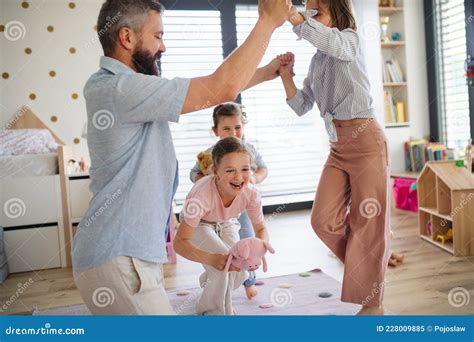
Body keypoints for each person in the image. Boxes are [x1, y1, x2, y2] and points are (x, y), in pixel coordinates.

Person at [72, 0, 292, 315]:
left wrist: (265, 73)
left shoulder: (124, 87)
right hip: (118, 256)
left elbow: (212, 88)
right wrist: (268, 21)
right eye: (158, 36)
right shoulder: (121, 87)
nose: (164, 46)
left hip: (125, 257)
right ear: (127, 38)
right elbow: (221, 87)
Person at [277, 0, 390, 315]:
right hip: (338, 146)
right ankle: (372, 257)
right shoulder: (316, 63)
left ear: (337, 14)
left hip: (366, 141)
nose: (311, 21)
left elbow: (328, 39)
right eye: (309, 16)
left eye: (318, 14)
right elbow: (302, 106)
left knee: (367, 224)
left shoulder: (349, 41)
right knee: (322, 220)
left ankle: (373, 303)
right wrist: (286, 76)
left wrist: (296, 16)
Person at [175, 137, 269, 315]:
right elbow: (180, 242)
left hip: (227, 222)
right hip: (199, 224)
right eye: (230, 170)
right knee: (222, 267)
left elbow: (261, 229)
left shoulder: (251, 194)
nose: (239, 177)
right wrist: (211, 259)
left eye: (245, 169)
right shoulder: (200, 196)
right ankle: (211, 313)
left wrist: (259, 250)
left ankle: (210, 280)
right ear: (214, 171)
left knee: (239, 270)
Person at [189, 102, 268, 300]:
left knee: (247, 239)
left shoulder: (247, 150)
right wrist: (208, 181)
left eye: (238, 127)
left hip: (241, 204)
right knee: (223, 248)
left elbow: (262, 168)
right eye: (226, 128)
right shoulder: (210, 154)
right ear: (215, 131)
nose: (233, 132)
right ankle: (214, 278)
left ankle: (248, 280)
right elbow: (194, 173)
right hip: (217, 208)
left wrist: (253, 179)